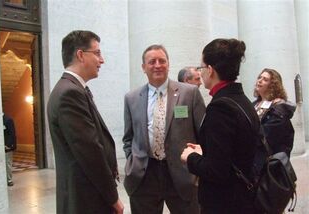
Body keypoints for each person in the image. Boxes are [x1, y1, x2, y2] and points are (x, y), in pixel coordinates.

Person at [47, 30, 124, 214]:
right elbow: (90, 152)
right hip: (86, 198)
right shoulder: (70, 93)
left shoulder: (72, 88)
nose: (102, 60)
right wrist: (113, 198)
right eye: (97, 53)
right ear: (80, 55)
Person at [123, 44, 205, 214]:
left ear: (168, 64)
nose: (157, 65)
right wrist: (132, 161)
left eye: (162, 60)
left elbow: (203, 134)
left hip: (182, 173)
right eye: (152, 61)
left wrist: (198, 169)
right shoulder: (131, 98)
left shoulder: (189, 93)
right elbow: (128, 138)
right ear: (143, 67)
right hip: (144, 174)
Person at [181, 38, 260, 214]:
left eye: (201, 68)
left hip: (226, 202)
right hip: (242, 196)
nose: (200, 73)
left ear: (210, 70)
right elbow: (233, 151)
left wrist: (191, 157)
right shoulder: (240, 99)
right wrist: (205, 151)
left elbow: (217, 171)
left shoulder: (220, 108)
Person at [253, 68, 296, 157]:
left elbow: (267, 135)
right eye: (259, 77)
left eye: (265, 79)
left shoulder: (279, 108)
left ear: (273, 85)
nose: (260, 81)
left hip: (268, 159)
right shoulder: (253, 105)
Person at [3, 113, 17, 187]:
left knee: (7, 163)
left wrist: (8, 145)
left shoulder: (8, 119)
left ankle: (9, 180)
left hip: (6, 146)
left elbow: (12, 133)